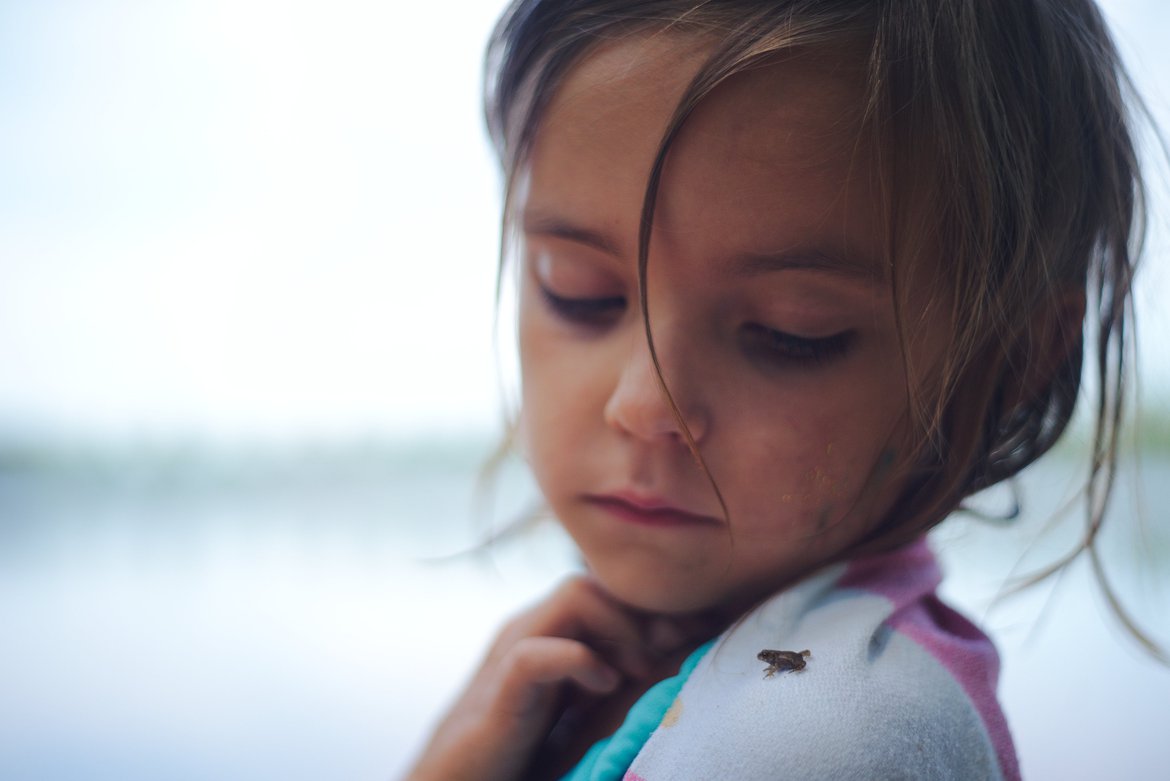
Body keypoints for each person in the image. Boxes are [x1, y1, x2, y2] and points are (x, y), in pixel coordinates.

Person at [407, 1, 1154, 778]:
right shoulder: (603, 664)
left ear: (1009, 362)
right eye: (580, 293)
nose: (642, 404)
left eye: (793, 331)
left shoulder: (823, 735)